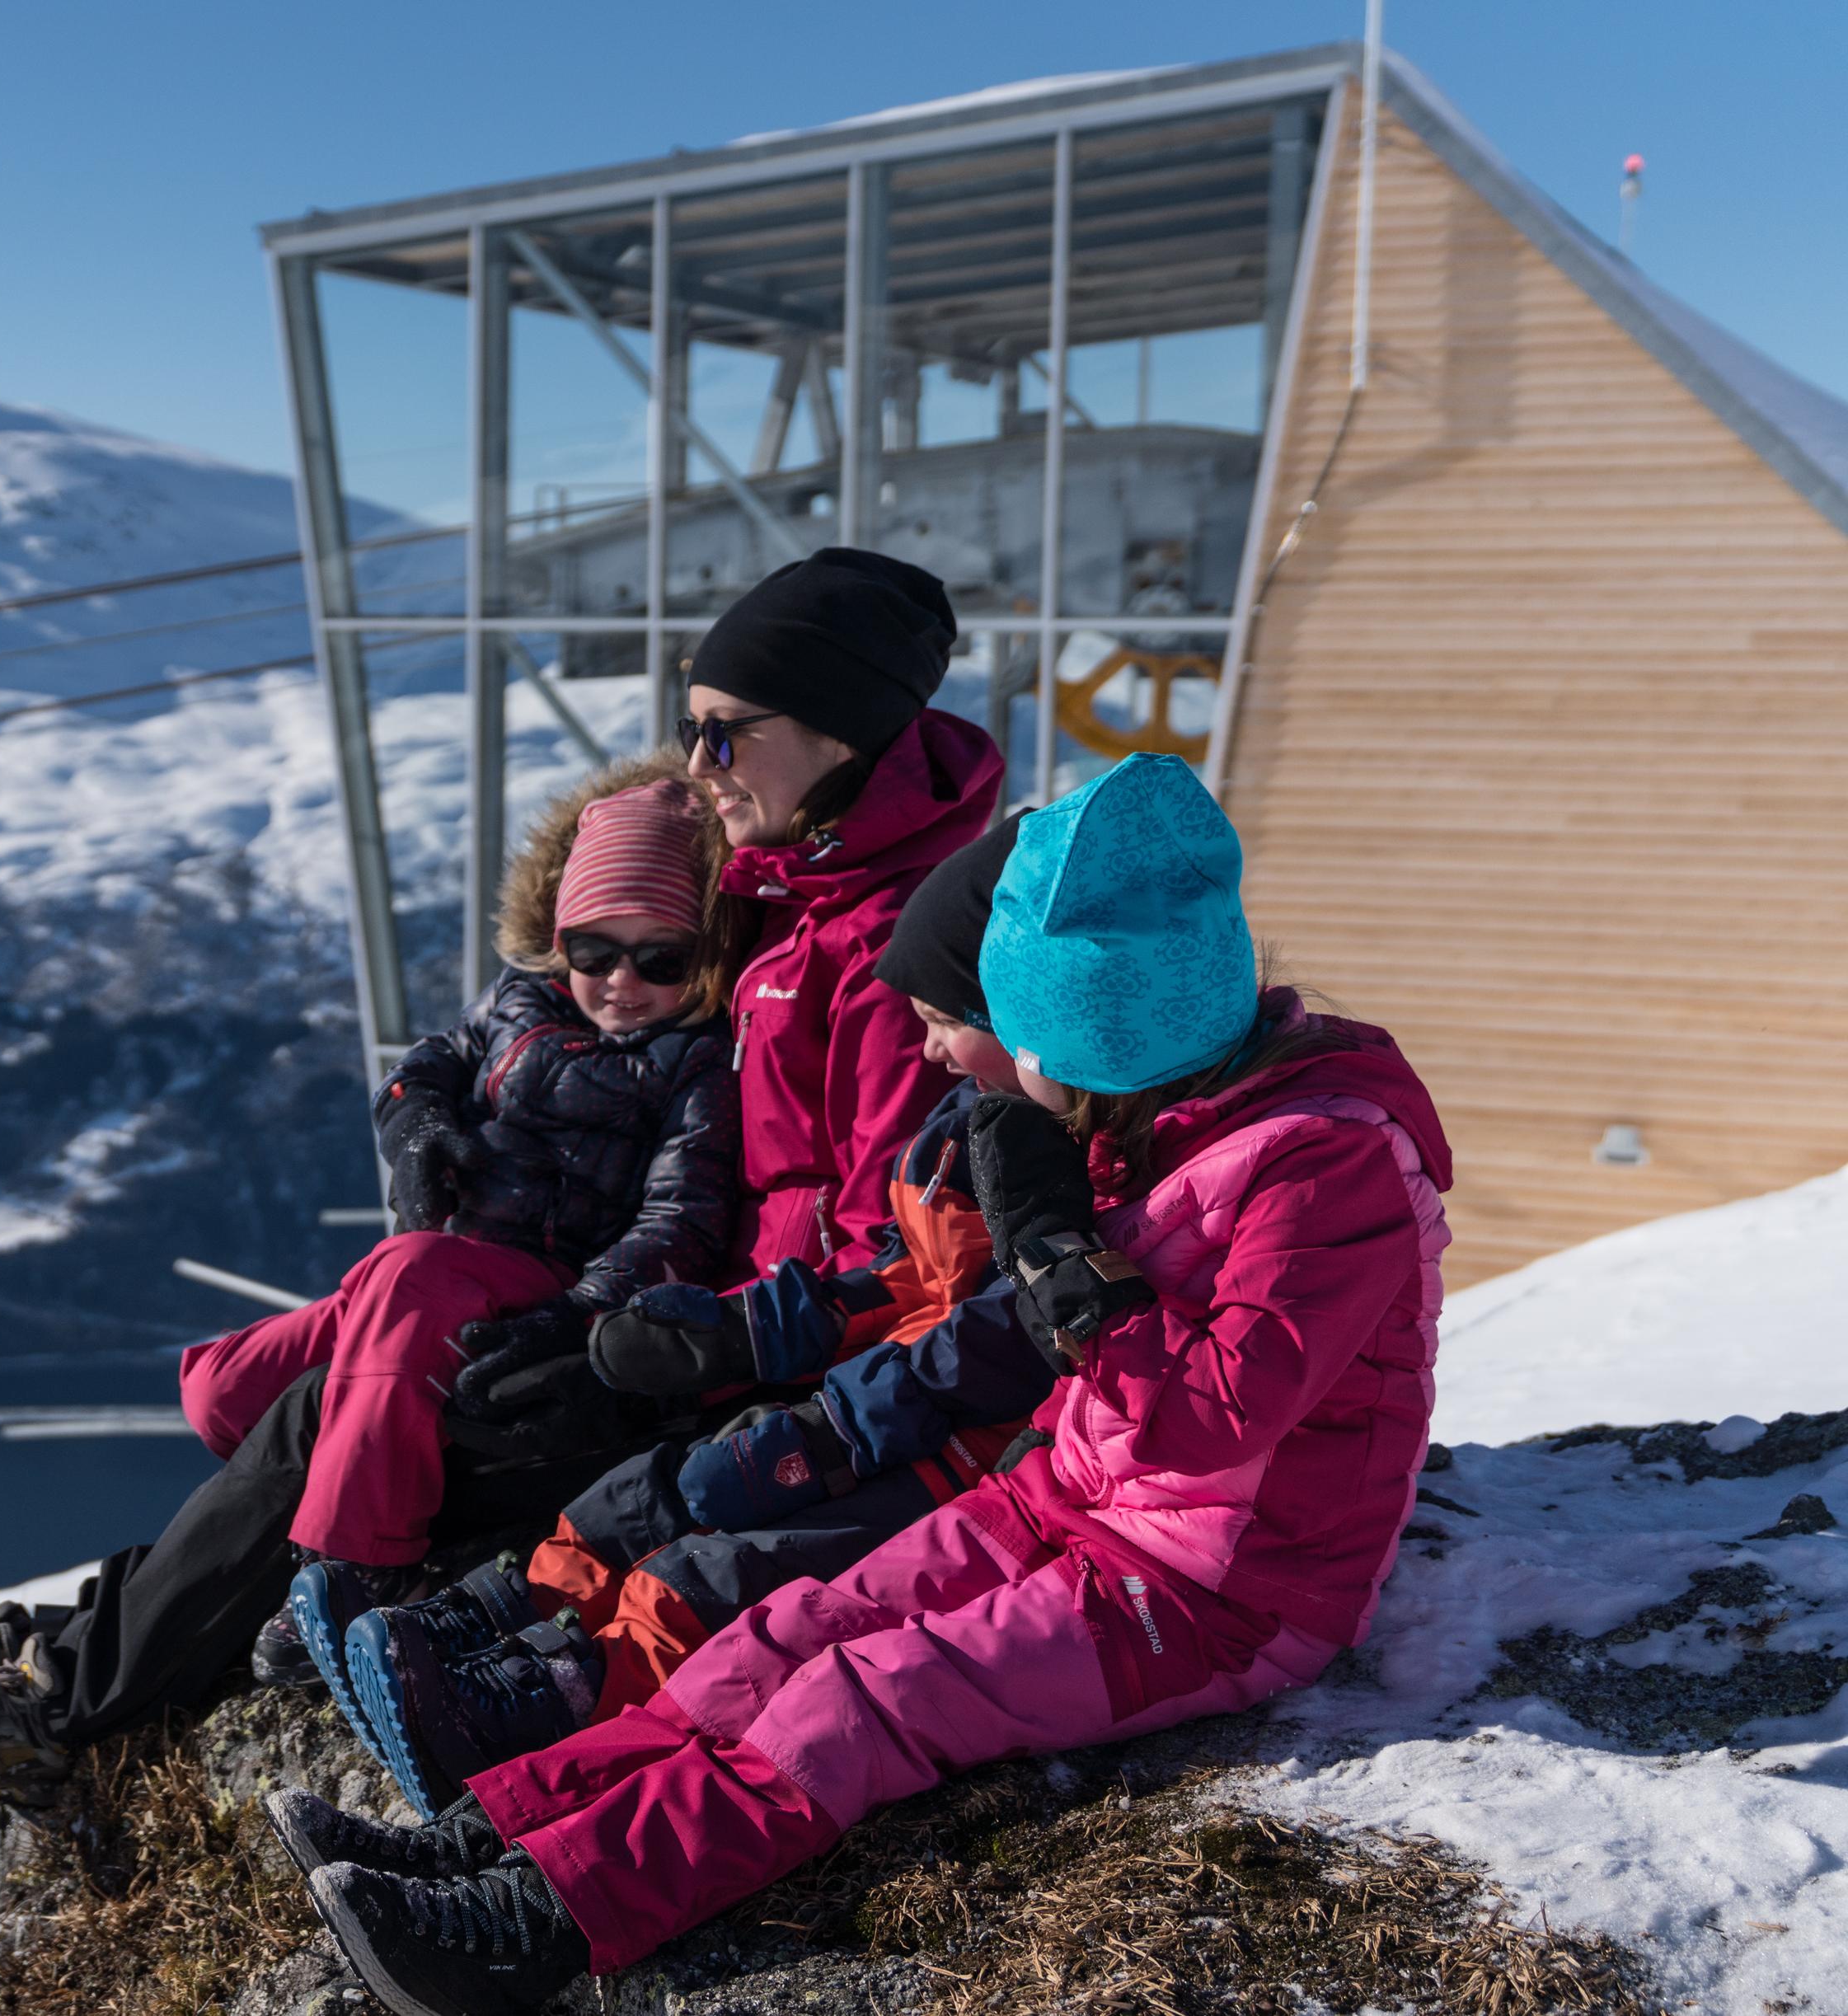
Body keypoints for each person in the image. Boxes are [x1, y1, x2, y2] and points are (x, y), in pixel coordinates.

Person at [269, 755, 1454, 2016]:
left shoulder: (1328, 1168)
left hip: (1221, 1587)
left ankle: (547, 1918)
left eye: (1019, 1037)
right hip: (1070, 1499)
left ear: (1094, 1041)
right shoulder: (1175, 1125)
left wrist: (1062, 1254)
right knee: (786, 1629)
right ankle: (502, 1832)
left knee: (871, 1692)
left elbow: (1212, 1422)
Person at [0, 765, 741, 1799]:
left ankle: (334, 1575)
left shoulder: (690, 1065)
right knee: (237, 1387)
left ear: (701, 958)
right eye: (593, 949)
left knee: (351, 1361)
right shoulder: (517, 1003)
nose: (621, 979)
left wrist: (582, 1316)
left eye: (660, 957)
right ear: (555, 937)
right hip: (437, 1286)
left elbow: (682, 1219)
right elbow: (429, 1064)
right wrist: (415, 1120)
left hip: (538, 1306)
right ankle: (46, 1643)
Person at [325, 814, 1062, 1819]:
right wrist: (743, 1328)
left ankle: (536, 1710)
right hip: (874, 1403)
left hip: (940, 1451)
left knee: (721, 1568)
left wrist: (831, 1414)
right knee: (651, 1489)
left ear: (1020, 1010)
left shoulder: (1049, 1170)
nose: (926, 1047)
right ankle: (502, 1627)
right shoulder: (963, 1124)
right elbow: (898, 1281)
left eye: (943, 1018)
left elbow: (994, 1338)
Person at [438, 549, 1004, 1477]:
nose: (701, 765)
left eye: (727, 734)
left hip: (776, 1362)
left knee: (440, 1446)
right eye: (688, 731)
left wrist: (693, 1364)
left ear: (839, 730)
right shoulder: (780, 893)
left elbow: (893, 1237)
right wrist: (432, 1094)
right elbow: (603, 1003)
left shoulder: (889, 943)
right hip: (696, 1306)